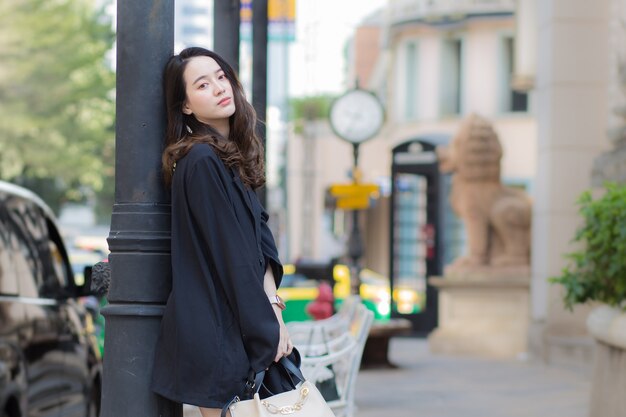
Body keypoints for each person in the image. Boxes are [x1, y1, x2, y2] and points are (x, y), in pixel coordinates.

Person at [150, 47, 293, 417]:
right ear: (186, 106)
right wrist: (268, 329)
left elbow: (260, 244)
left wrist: (274, 312)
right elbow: (233, 257)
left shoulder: (229, 158)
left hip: (237, 333)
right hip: (218, 340)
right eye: (202, 84)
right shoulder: (200, 161)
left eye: (220, 76)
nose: (218, 87)